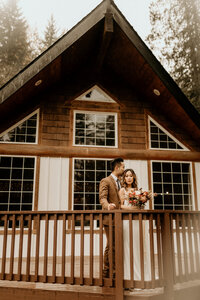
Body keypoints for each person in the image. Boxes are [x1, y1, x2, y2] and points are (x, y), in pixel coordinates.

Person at [119, 168, 151, 282]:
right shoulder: (122, 190)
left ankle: (142, 272)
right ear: (124, 178)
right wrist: (132, 208)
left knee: (139, 245)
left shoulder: (138, 191)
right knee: (129, 245)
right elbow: (121, 206)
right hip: (128, 221)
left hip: (138, 221)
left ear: (133, 178)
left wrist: (141, 202)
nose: (129, 178)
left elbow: (141, 205)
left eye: (131, 176)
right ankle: (130, 274)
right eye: (127, 176)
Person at [99, 157, 125, 278]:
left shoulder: (121, 182)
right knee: (111, 245)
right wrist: (107, 205)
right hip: (110, 219)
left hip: (120, 219)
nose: (124, 169)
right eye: (123, 167)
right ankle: (108, 272)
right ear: (117, 167)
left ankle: (111, 270)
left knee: (114, 245)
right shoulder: (106, 180)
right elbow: (102, 197)